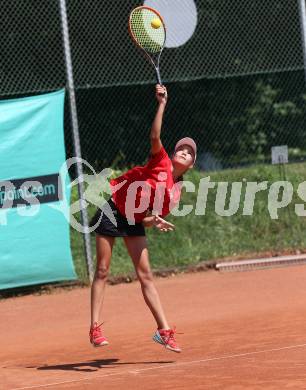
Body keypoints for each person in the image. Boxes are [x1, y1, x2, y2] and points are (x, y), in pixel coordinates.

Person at [89, 84, 197, 353]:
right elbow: (154, 135)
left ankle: (164, 331)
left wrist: (154, 221)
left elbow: (148, 218)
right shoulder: (160, 159)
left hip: (134, 220)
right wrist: (162, 104)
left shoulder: (174, 192)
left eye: (190, 152)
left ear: (192, 164)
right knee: (103, 270)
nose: (184, 151)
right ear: (173, 153)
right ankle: (94, 327)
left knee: (146, 275)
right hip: (113, 209)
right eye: (182, 148)